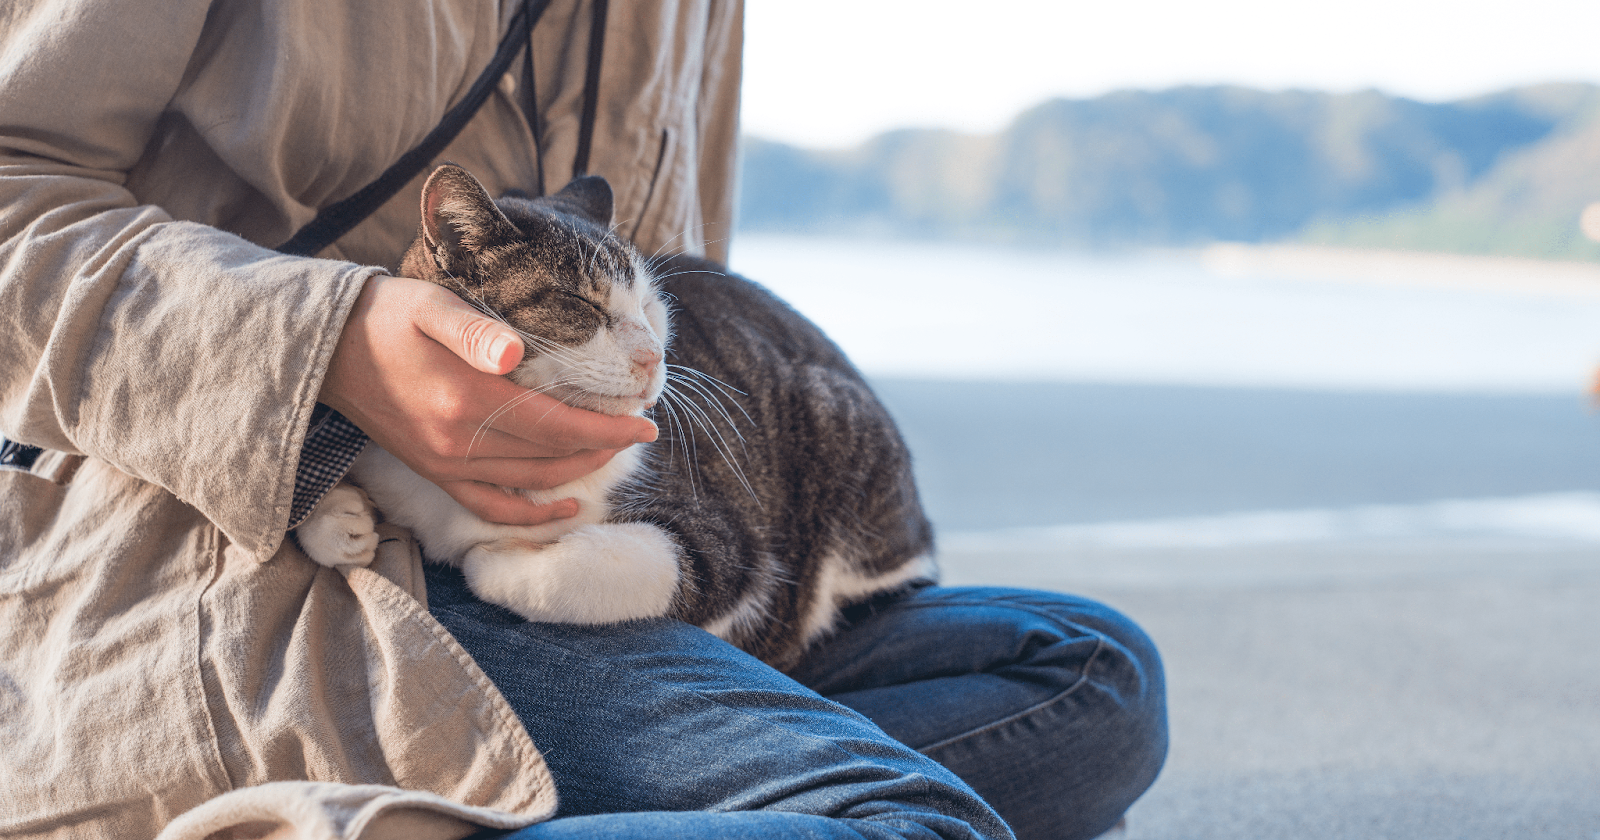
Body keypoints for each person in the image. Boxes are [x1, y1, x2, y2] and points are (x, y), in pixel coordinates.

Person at [0, 2, 1167, 839]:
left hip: (584, 546)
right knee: (908, 819)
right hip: (254, 545)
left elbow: (635, 276)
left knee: (1092, 675)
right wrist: (327, 340)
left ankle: (472, 800)